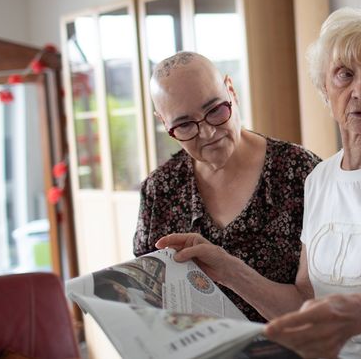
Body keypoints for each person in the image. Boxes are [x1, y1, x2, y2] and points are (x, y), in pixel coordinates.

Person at [156, 8, 361, 359]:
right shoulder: (319, 179)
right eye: (344, 75)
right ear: (324, 87)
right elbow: (303, 301)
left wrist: (352, 315)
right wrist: (227, 268)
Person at [133, 52, 321, 322]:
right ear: (165, 123)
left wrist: (233, 273)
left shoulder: (300, 172)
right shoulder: (160, 190)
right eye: (185, 125)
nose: (208, 133)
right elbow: (149, 302)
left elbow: (317, 312)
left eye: (215, 111)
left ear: (231, 90)